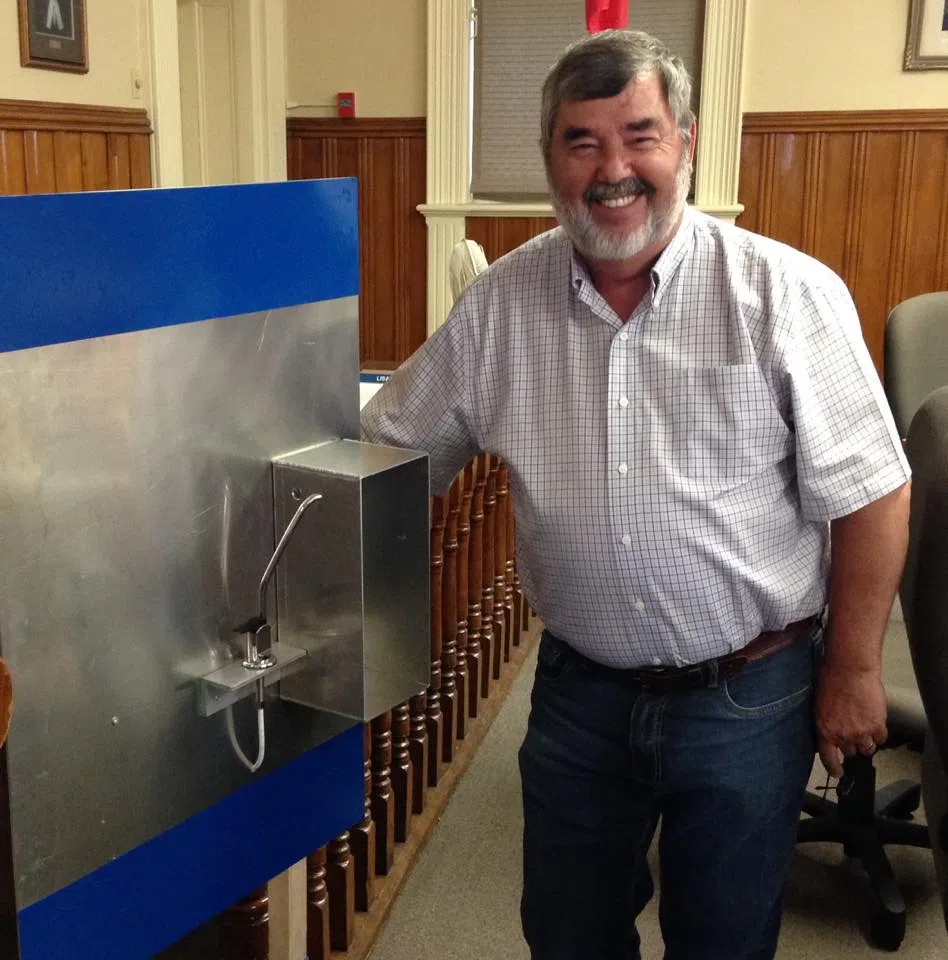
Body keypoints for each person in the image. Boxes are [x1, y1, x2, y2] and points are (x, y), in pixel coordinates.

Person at [361, 28, 910, 960]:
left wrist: (854, 669)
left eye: (639, 135)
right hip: (581, 694)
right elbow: (389, 455)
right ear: (549, 162)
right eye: (582, 142)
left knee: (724, 940)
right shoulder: (499, 307)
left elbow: (873, 493)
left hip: (750, 690)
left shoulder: (784, 296)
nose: (613, 169)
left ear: (686, 144)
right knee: (568, 933)